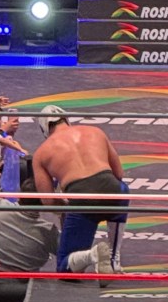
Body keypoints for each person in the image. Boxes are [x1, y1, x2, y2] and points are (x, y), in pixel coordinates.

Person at [33, 105, 123, 280]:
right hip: (113, 193)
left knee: (65, 269)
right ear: (66, 119)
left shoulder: (42, 152)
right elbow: (119, 174)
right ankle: (114, 258)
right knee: (123, 190)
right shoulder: (95, 131)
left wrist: (67, 206)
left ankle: (93, 254)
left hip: (82, 198)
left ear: (44, 128)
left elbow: (48, 201)